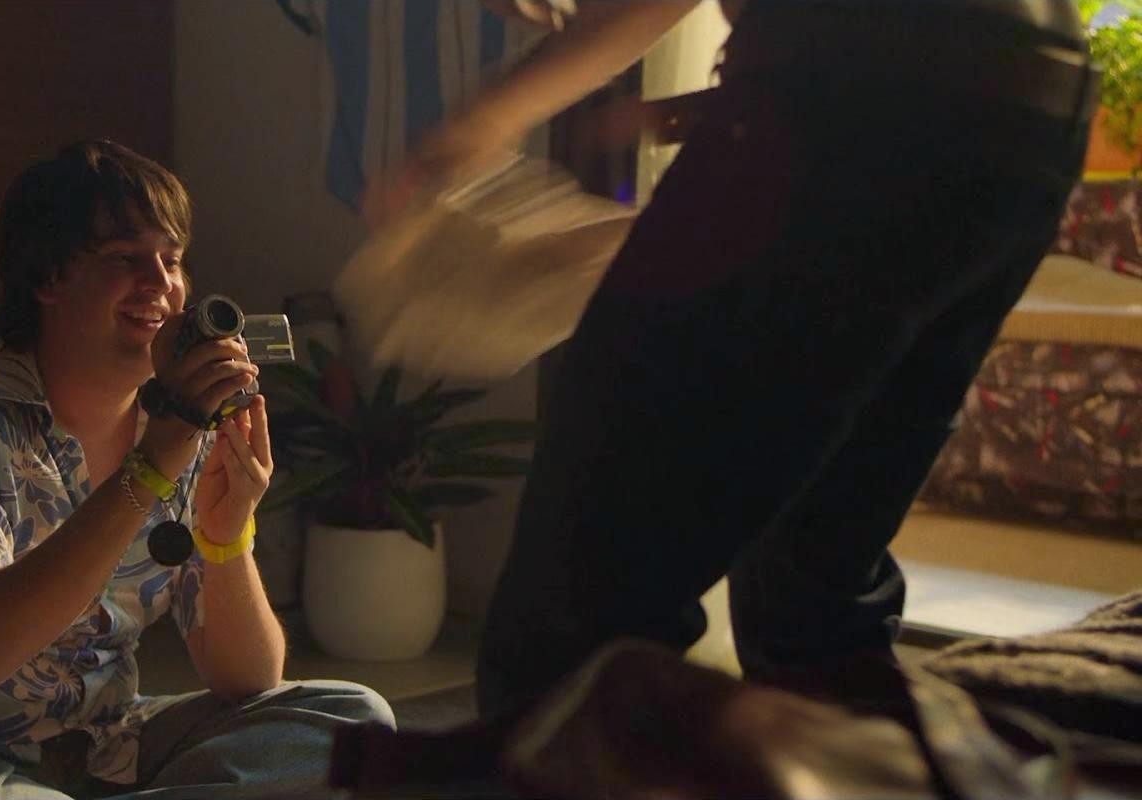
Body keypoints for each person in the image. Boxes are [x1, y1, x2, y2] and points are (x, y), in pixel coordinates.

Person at [366, 0, 1096, 727]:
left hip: (856, 93)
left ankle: (559, 757)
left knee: (583, 601)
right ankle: (856, 760)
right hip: (1034, 112)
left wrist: (472, 127)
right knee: (811, 587)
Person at [0, 140, 393, 799]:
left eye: (172, 259)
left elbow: (247, 680)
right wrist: (149, 469)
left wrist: (227, 536)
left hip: (104, 751)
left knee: (354, 721)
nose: (162, 284)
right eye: (124, 259)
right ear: (48, 277)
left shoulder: (176, 422)